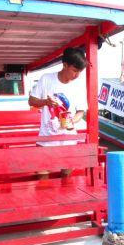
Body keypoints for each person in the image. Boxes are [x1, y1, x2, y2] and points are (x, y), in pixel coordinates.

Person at [28, 47, 88, 178]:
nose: (77, 75)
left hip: (69, 138)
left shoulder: (78, 85)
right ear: (65, 65)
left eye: (80, 71)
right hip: (47, 137)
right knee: (42, 174)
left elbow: (80, 112)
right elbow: (31, 101)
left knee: (66, 175)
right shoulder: (46, 79)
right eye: (75, 70)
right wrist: (46, 102)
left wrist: (72, 121)